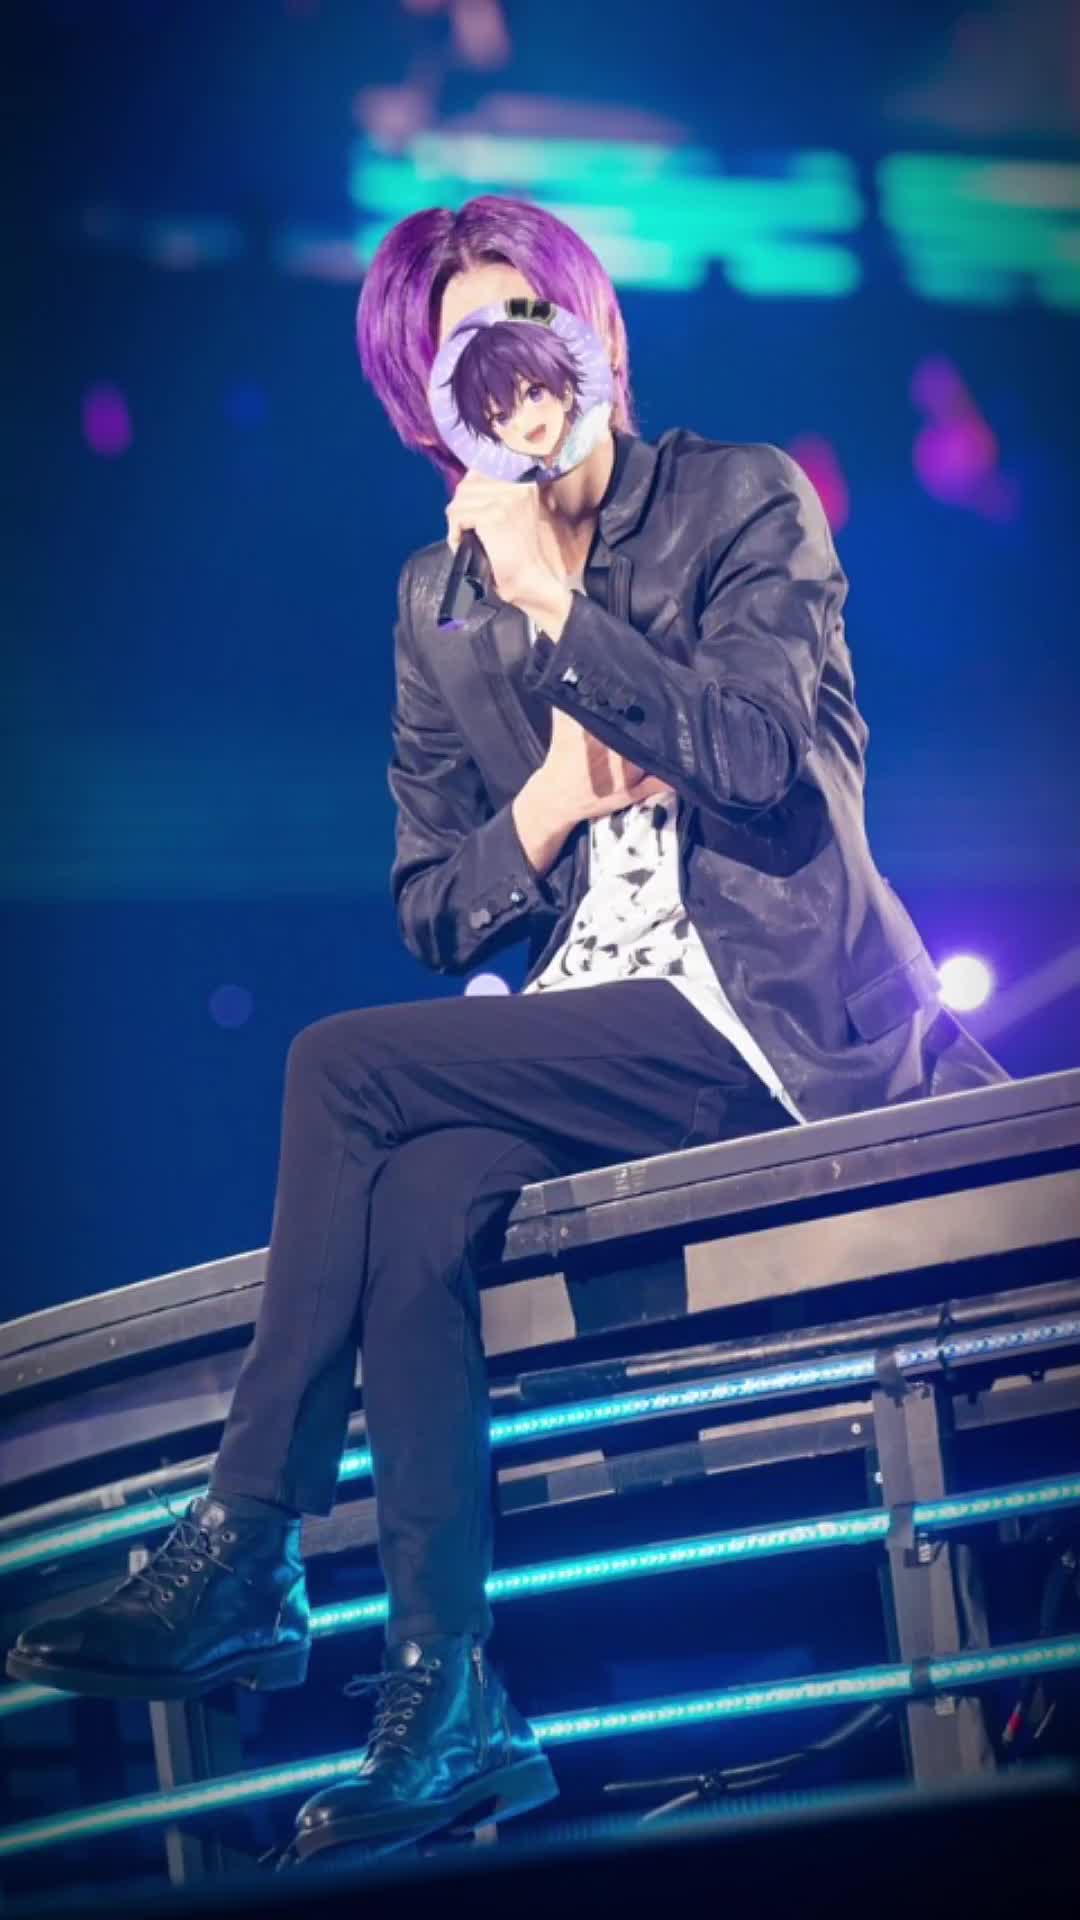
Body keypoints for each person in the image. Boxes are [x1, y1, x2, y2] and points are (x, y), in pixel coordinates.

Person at [6, 194, 1007, 1861]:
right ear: (435, 411)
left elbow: (762, 760)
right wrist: (542, 805)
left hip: (762, 1026)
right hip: (595, 1024)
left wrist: (567, 613)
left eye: (537, 328)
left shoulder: (740, 498)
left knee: (342, 1067)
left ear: (597, 333)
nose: (522, 380)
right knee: (413, 1195)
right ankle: (445, 1695)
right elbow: (432, 901)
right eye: (474, 357)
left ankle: (248, 1538)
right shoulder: (436, 601)